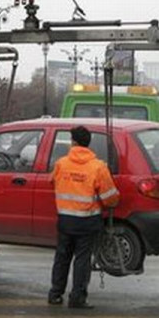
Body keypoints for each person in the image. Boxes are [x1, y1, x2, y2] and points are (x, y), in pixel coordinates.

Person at [48, 125, 120, 308]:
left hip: (65, 219)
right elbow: (110, 198)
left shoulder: (61, 164)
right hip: (87, 221)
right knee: (82, 259)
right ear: (89, 144)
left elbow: (52, 181)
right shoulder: (98, 167)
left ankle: (55, 294)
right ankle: (77, 297)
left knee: (62, 256)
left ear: (73, 142)